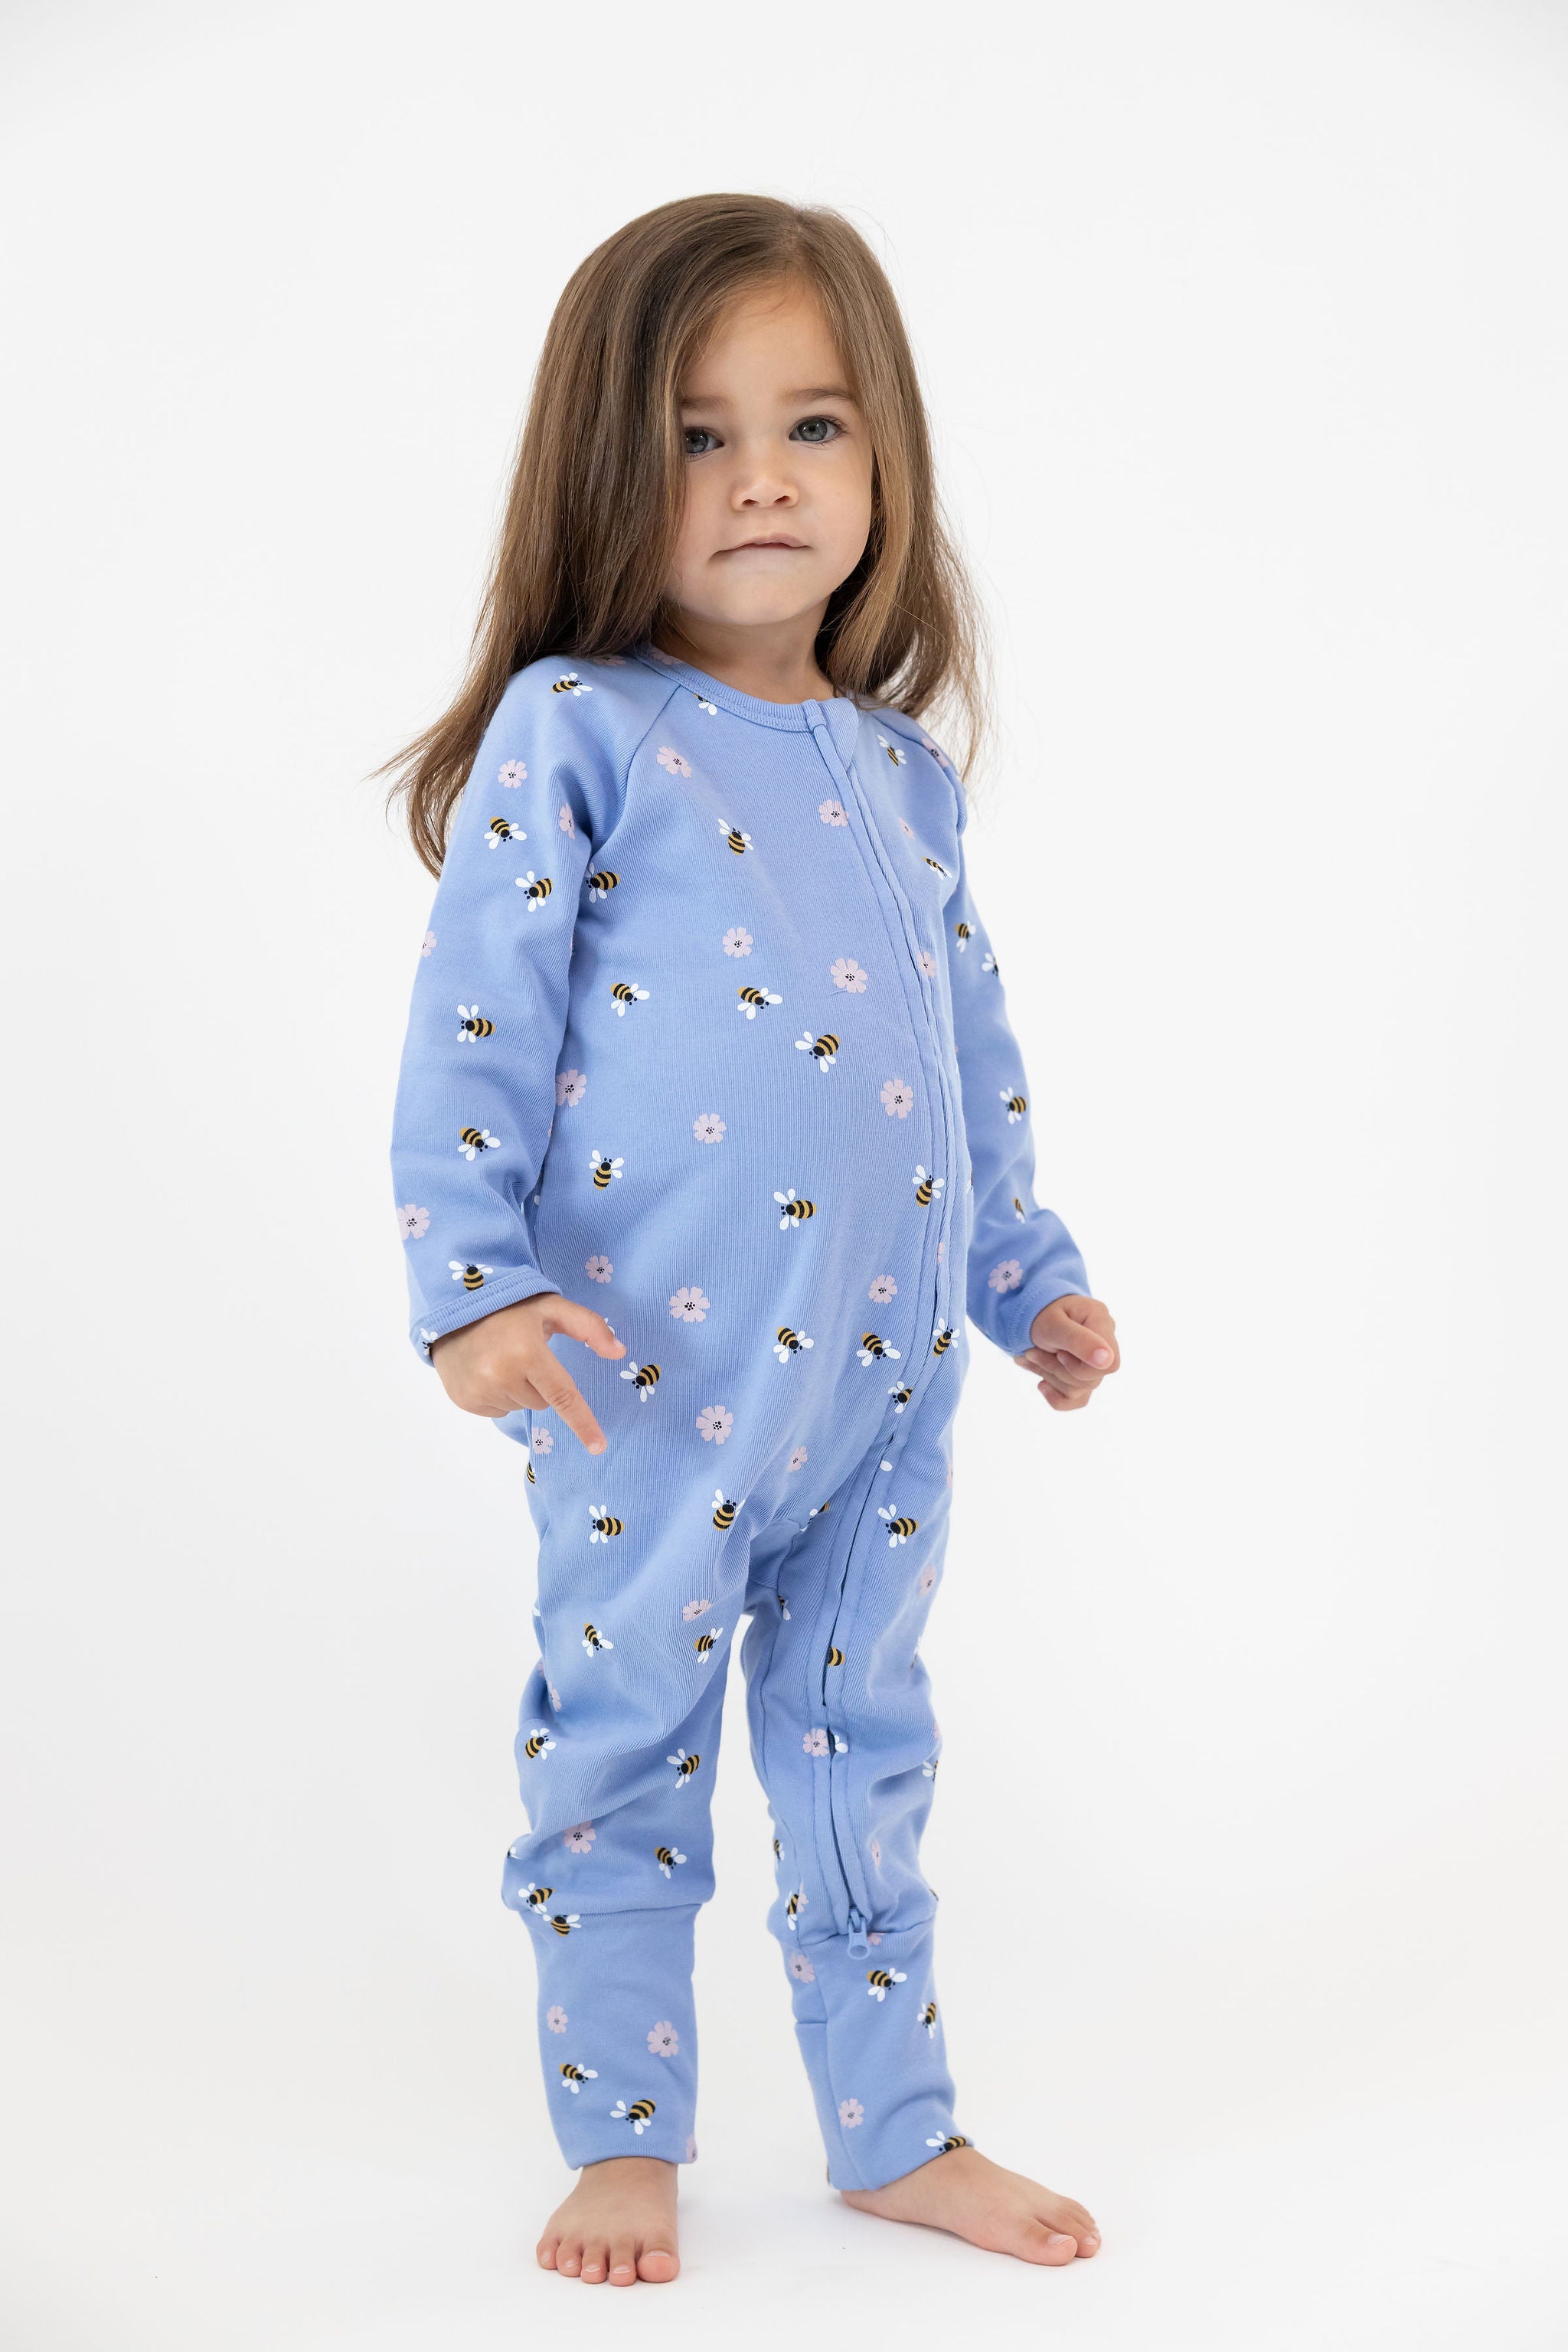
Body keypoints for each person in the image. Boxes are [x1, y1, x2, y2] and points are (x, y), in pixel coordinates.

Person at [384, 193, 1119, 2288]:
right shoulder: (578, 729)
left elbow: (966, 1056)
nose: (764, 477)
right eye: (698, 436)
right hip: (645, 1376)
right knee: (624, 1738)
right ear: (605, 470)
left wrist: (1029, 1274)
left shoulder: (901, 777)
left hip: (884, 1393)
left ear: (886, 460)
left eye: (813, 425)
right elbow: (473, 1028)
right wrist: (473, 1286)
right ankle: (626, 2139)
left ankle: (896, 2129)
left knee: (863, 1745)